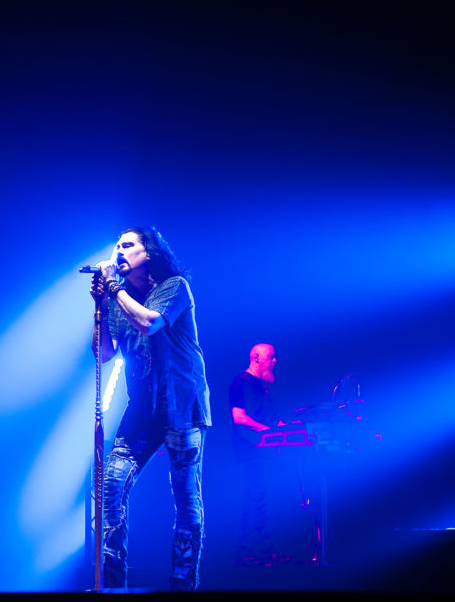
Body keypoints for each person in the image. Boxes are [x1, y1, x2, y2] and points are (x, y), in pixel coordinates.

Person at [90, 225, 211, 591]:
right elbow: (103, 354)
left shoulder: (174, 287)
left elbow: (148, 323)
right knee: (108, 487)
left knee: (185, 497)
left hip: (181, 406)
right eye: (116, 246)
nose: (119, 252)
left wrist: (113, 288)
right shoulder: (119, 299)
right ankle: (111, 582)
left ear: (150, 253)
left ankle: (182, 583)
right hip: (142, 410)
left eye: (128, 245)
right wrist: (100, 305)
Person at [229, 343, 314, 566]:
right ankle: (249, 553)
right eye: (271, 357)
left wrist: (289, 428)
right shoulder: (241, 382)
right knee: (256, 500)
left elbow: (271, 420)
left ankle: (263, 551)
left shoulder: (262, 386)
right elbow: (239, 417)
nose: (275, 361)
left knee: (264, 500)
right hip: (251, 451)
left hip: (264, 451)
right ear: (256, 357)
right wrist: (269, 432)